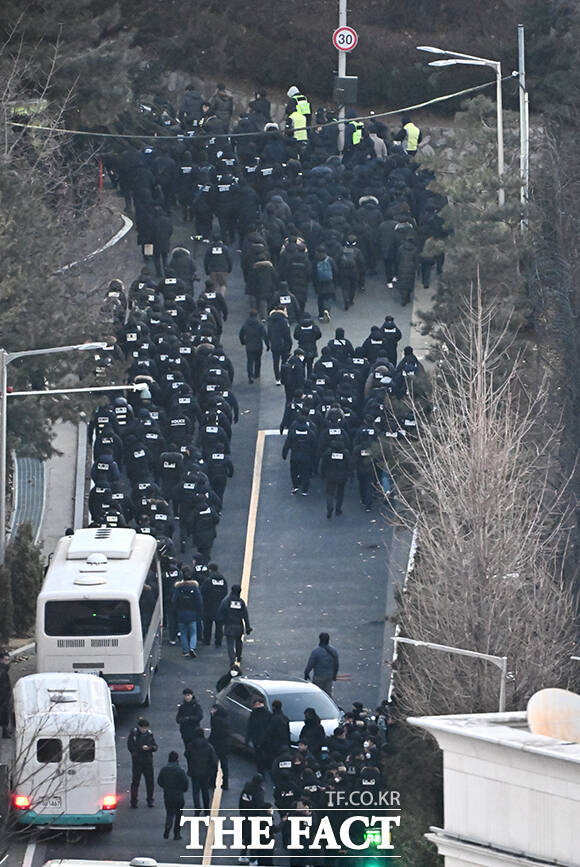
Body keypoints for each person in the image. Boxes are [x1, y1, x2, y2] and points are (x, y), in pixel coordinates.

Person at [216, 584, 252, 665]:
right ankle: (239, 656)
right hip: (239, 626)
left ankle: (232, 660)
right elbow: (245, 616)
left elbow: (220, 613)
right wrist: (248, 627)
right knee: (239, 641)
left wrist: (221, 622)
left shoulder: (226, 601)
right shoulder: (241, 602)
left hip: (229, 625)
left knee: (230, 644)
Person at [184, 727, 218, 813]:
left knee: (195, 791)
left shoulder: (191, 745)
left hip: (194, 771)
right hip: (205, 772)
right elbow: (213, 760)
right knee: (205, 791)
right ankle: (206, 809)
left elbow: (187, 754)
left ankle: (197, 808)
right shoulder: (208, 746)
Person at [157, 750, 189, 840]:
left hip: (168, 795)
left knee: (169, 813)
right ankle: (177, 833)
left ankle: (168, 827)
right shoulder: (180, 771)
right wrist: (183, 789)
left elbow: (160, 781)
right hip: (178, 795)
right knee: (179, 815)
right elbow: (185, 783)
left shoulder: (164, 769)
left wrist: (165, 787)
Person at [172, 569, 204, 657]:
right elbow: (199, 601)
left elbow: (174, 601)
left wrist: (175, 612)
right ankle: (192, 648)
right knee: (193, 632)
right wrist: (200, 612)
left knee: (183, 633)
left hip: (181, 614)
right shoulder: (195, 588)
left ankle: (185, 651)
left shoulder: (178, 589)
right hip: (192, 613)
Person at [128, 717, 158, 808]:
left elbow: (155, 746)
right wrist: (141, 749)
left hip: (148, 761)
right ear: (139, 727)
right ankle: (134, 800)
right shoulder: (134, 735)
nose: (145, 730)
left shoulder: (149, 735)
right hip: (137, 761)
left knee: (150, 781)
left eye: (146, 728)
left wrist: (150, 748)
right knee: (135, 781)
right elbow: (130, 747)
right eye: (143, 728)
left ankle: (150, 799)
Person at [239, 310, 270, 384]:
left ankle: (250, 375)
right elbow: (265, 335)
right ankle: (257, 374)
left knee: (250, 361)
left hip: (249, 346)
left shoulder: (245, 324)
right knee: (257, 360)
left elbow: (241, 334)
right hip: (258, 346)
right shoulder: (259, 325)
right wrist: (268, 345)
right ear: (257, 316)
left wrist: (243, 342)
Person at [202, 562, 228, 646]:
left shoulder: (208, 580)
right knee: (219, 625)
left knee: (207, 624)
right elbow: (225, 591)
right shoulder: (222, 579)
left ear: (210, 570)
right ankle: (218, 641)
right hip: (219, 604)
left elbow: (203, 591)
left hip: (208, 605)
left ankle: (207, 640)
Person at [246, 697, 272, 774]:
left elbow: (250, 727)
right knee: (266, 754)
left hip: (257, 738)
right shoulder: (268, 714)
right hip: (265, 738)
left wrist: (247, 739)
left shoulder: (254, 714)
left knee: (258, 756)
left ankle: (260, 771)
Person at [267, 305, 292, 384]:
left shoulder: (270, 320)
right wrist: (290, 343)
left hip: (274, 343)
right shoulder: (284, 321)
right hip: (283, 344)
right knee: (284, 360)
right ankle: (282, 376)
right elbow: (287, 334)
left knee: (275, 361)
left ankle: (277, 378)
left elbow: (269, 333)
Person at [209, 703, 231, 790]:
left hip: (217, 745)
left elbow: (214, 732)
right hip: (225, 745)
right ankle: (225, 783)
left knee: (214, 764)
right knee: (224, 765)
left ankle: (212, 783)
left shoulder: (215, 719)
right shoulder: (225, 719)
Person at [0, 651, 12, 738]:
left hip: (3, 700)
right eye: (6, 660)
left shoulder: (4, 671)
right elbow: (4, 688)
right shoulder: (3, 672)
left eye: (9, 660)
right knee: (3, 716)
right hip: (3, 700)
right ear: (1, 660)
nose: (8, 662)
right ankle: (5, 732)